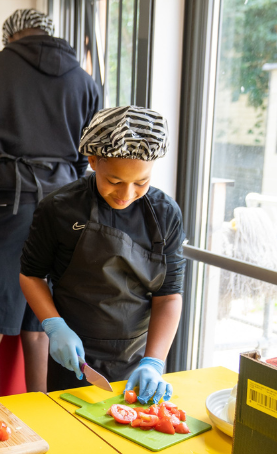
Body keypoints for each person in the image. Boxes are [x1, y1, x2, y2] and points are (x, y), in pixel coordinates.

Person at [0, 9, 101, 394]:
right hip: (67, 206)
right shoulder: (85, 80)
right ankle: (42, 429)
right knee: (43, 329)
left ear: (10, 37)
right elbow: (88, 157)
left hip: (3, 205)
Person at [19, 106, 186, 403]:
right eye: (115, 181)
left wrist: (154, 362)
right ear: (93, 161)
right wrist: (54, 326)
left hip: (141, 355)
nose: (126, 193)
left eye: (141, 182)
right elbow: (31, 275)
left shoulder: (165, 214)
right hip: (74, 357)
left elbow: (169, 295)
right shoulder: (59, 208)